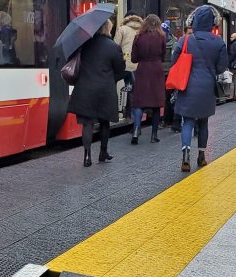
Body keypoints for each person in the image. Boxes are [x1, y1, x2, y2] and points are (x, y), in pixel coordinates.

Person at [171, 5, 226, 172]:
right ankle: (201, 156)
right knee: (203, 122)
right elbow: (222, 67)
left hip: (187, 86)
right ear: (212, 22)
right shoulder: (218, 42)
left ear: (194, 20)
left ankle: (185, 156)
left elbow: (174, 63)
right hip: (207, 88)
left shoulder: (185, 40)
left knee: (187, 121)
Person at [67, 19, 127, 167]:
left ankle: (87, 156)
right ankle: (103, 152)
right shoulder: (113, 47)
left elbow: (74, 60)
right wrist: (109, 79)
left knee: (87, 124)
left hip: (85, 89)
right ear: (108, 28)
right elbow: (121, 71)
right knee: (105, 122)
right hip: (104, 91)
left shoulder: (85, 44)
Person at [129, 14, 166, 145]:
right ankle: (154, 135)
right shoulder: (161, 36)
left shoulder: (138, 37)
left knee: (139, 102)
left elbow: (133, 58)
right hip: (156, 70)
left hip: (142, 70)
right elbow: (163, 55)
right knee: (156, 105)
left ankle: (136, 129)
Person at [114, 12, 142, 118]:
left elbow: (115, 46)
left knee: (117, 86)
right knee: (133, 91)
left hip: (123, 64)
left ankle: (119, 111)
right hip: (137, 65)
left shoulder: (122, 29)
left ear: (126, 18)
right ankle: (131, 116)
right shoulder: (142, 31)